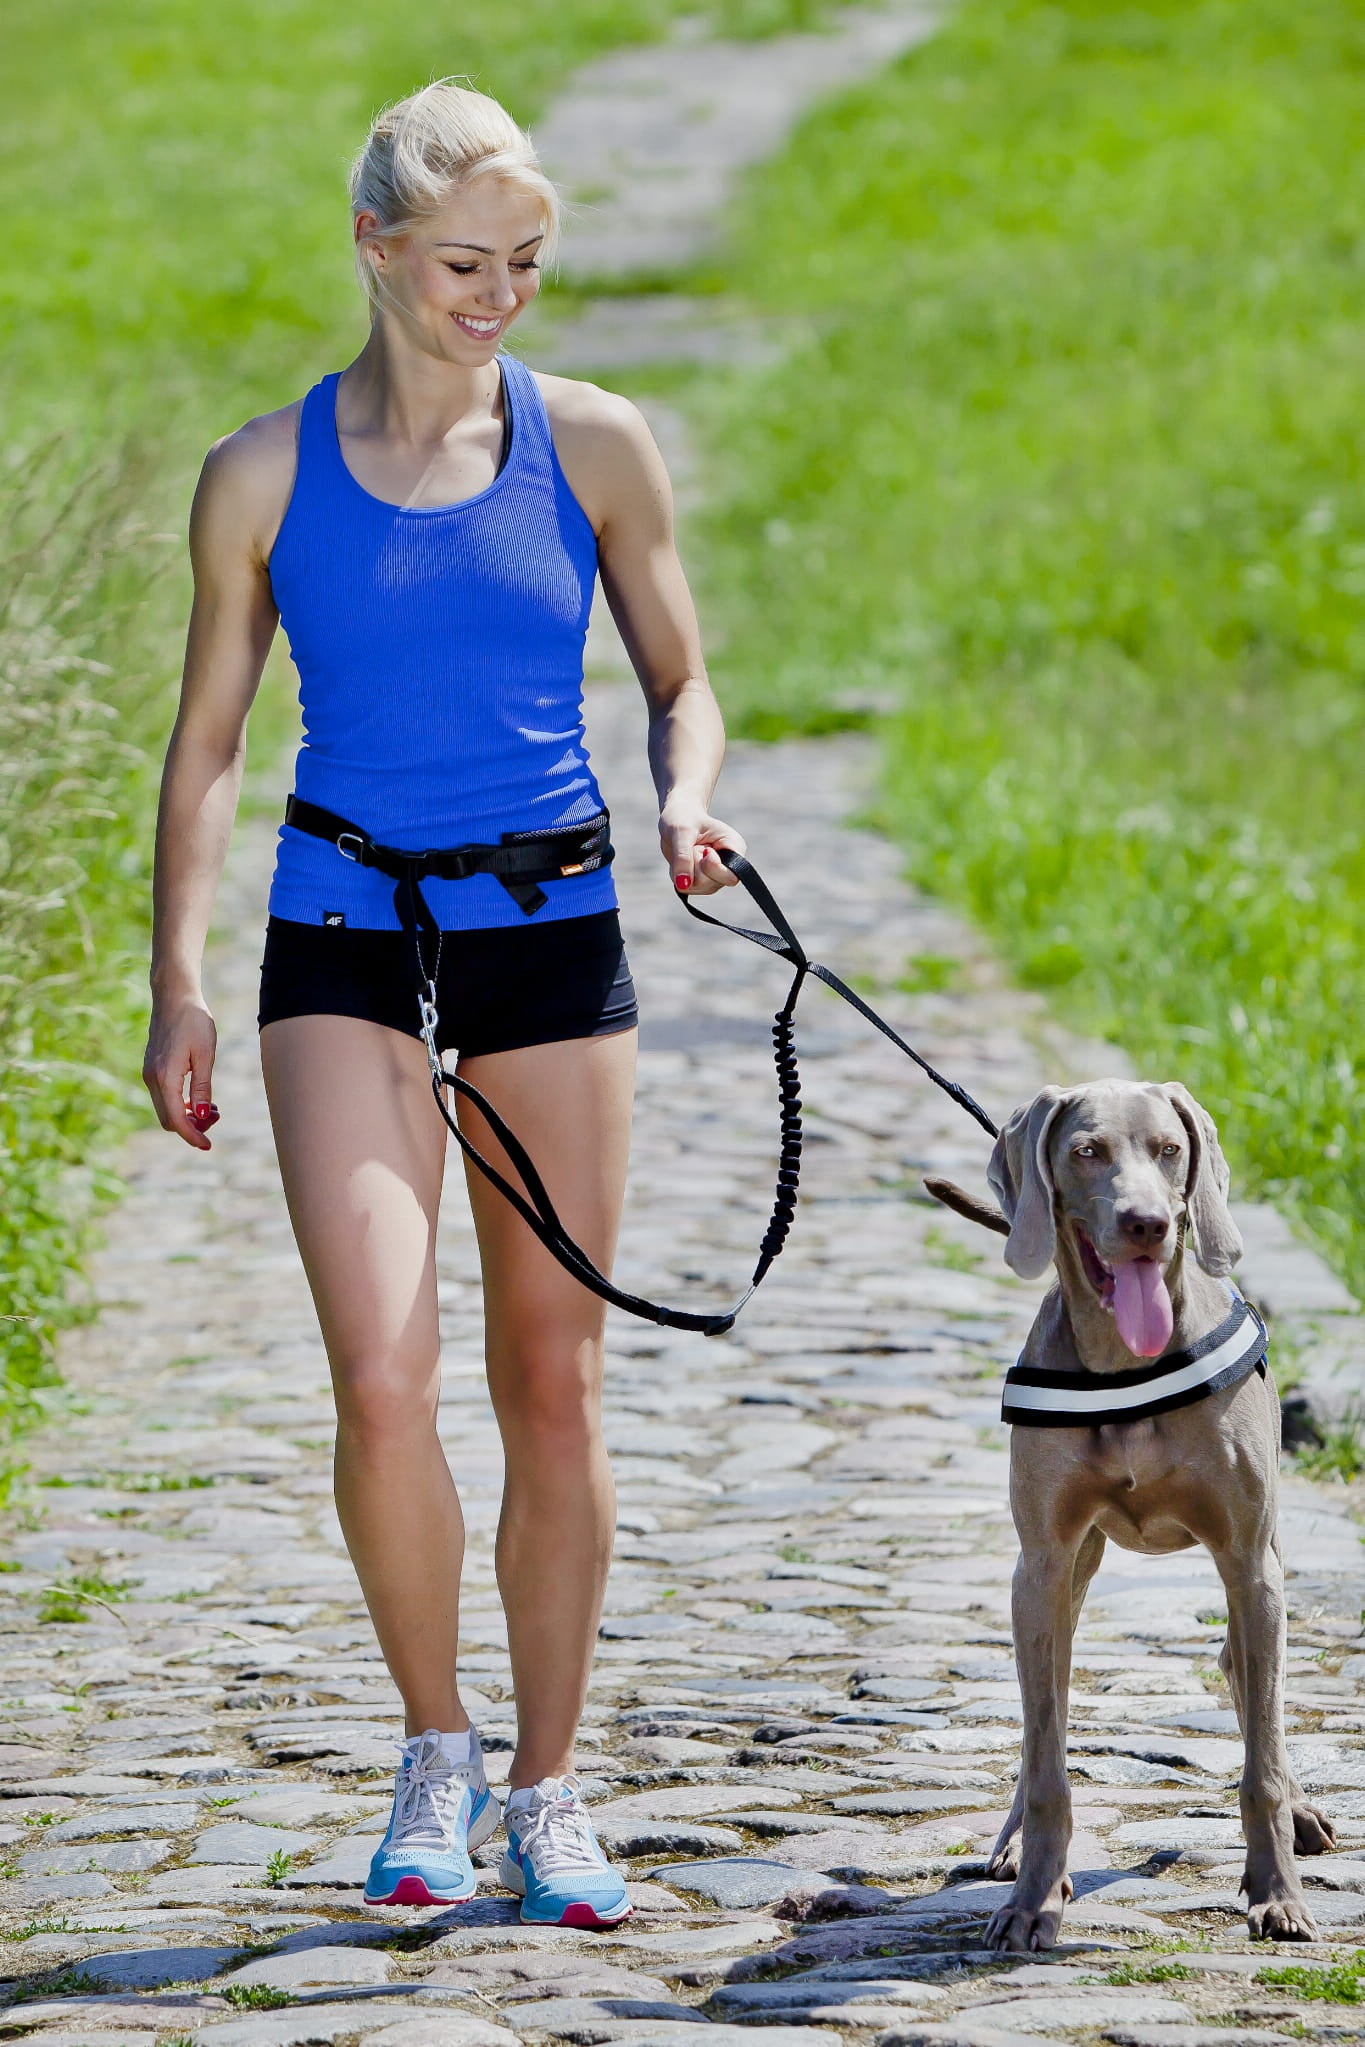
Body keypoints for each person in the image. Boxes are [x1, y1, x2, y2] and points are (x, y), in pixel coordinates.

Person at [143, 78, 744, 1928]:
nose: (499, 295)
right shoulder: (262, 472)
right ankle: (435, 1751)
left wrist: (685, 793)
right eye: (466, 261)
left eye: (528, 265)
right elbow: (212, 744)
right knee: (383, 1374)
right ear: (376, 245)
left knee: (547, 1381)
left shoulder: (595, 445)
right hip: (341, 930)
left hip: (550, 928)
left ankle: (554, 1792)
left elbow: (681, 681)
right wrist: (176, 974)